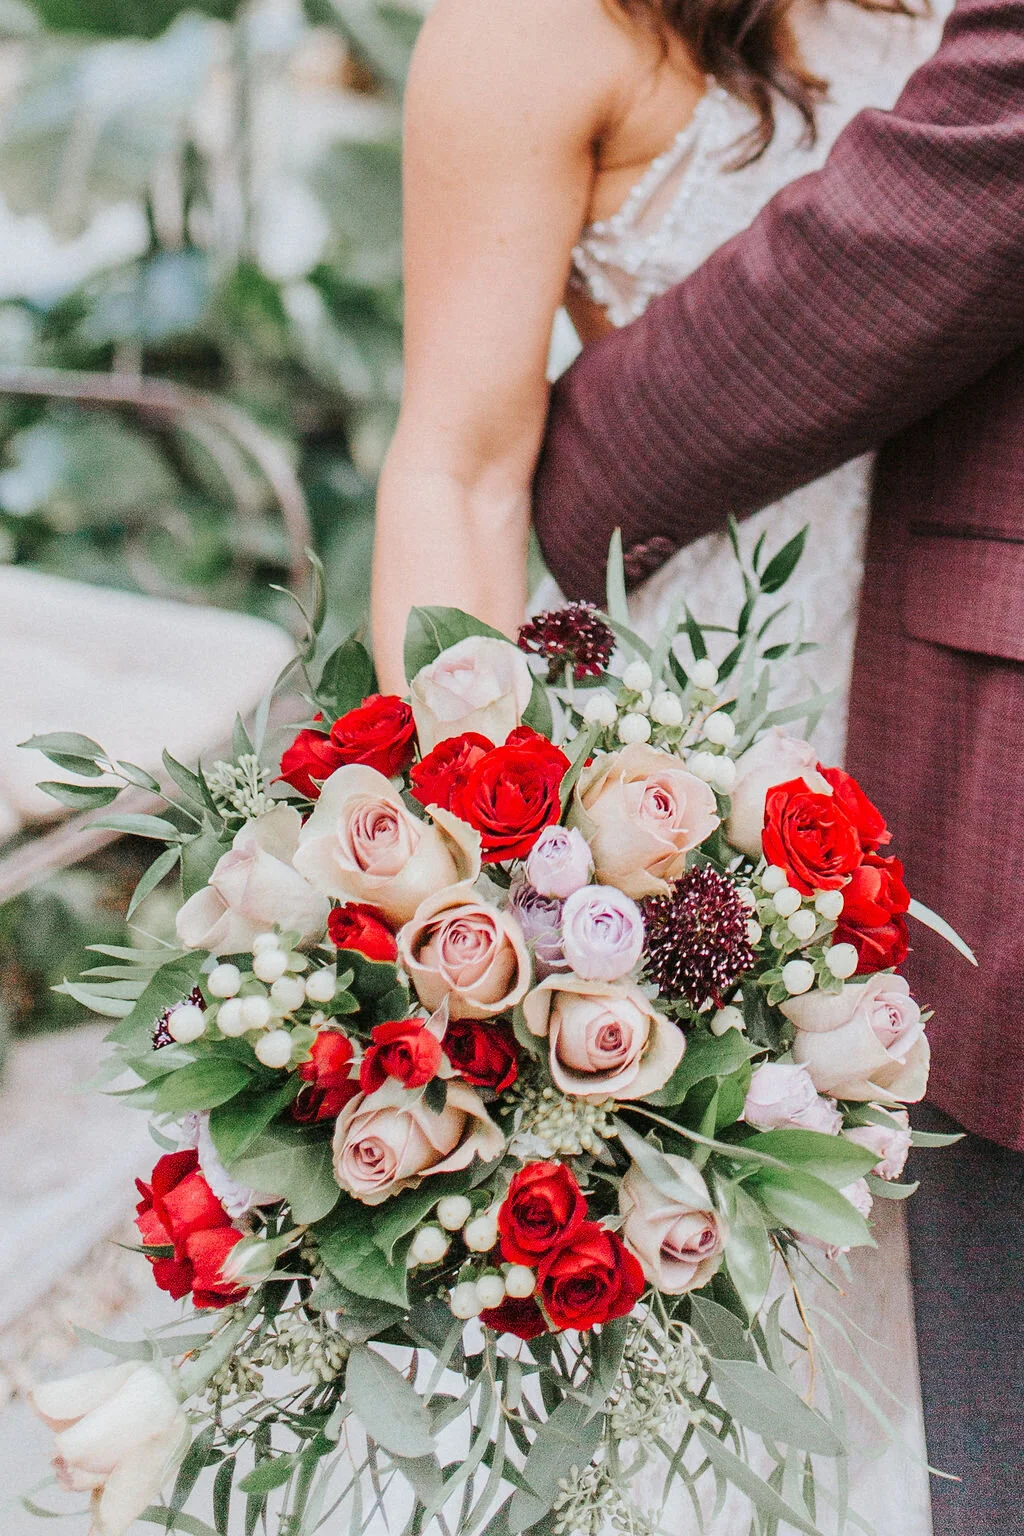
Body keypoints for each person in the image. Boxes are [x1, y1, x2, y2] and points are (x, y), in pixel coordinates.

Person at [530, 0, 1024, 1528]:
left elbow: (950, 195)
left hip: (914, 744)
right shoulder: (534, 38)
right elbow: (455, 450)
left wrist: (576, 488)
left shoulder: (907, 26)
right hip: (723, 750)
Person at [370, 0, 948, 750]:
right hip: (694, 706)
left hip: (946, 658)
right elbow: (462, 476)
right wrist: (468, 786)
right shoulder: (527, 27)